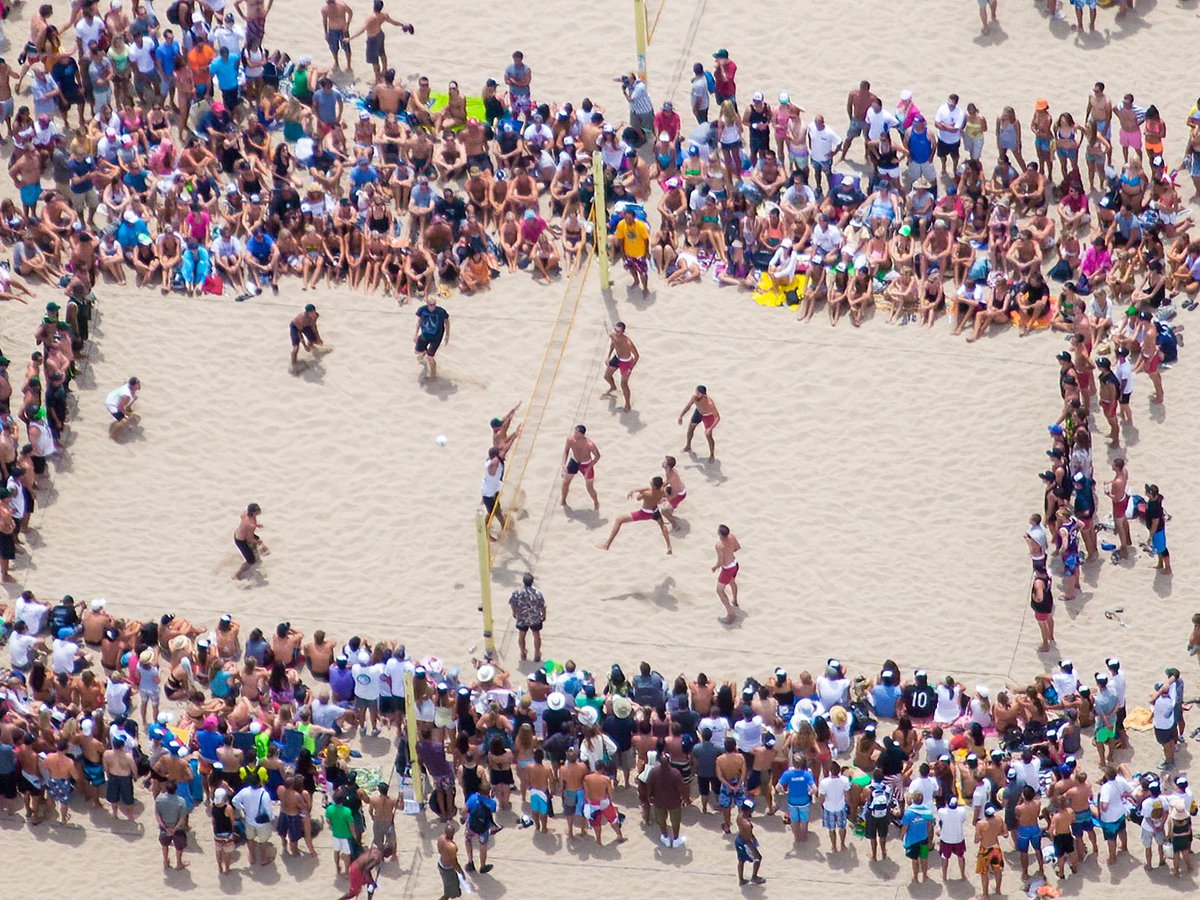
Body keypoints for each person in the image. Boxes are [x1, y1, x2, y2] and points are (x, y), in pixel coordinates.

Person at [600, 476, 672, 554]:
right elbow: (648, 489)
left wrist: (639, 493)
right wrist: (633, 490)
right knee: (663, 526)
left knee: (619, 520)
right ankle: (669, 546)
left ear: (654, 486)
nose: (650, 481)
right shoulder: (661, 490)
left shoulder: (647, 494)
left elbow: (638, 498)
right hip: (655, 510)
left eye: (651, 482)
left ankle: (606, 545)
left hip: (645, 513)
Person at [347, 0, 413, 82]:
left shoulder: (370, 18)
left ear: (374, 6)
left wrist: (350, 38)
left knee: (374, 60)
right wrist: (402, 24)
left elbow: (362, 30)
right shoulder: (384, 15)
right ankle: (384, 70)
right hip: (380, 35)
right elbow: (393, 22)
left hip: (372, 39)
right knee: (382, 53)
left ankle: (377, 78)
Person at [646, 750, 687, 848]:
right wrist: (684, 798)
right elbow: (681, 788)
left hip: (659, 801)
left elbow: (649, 786)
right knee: (675, 821)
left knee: (661, 820)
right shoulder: (675, 773)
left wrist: (649, 797)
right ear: (669, 762)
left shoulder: (654, 772)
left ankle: (665, 837)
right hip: (674, 802)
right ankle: (676, 839)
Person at [601, 322, 639, 412]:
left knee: (624, 384)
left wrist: (630, 369)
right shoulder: (613, 335)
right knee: (606, 376)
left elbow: (637, 356)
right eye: (615, 330)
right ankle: (613, 387)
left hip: (626, 362)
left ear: (623, 332)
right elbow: (613, 344)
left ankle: (627, 404)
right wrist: (608, 356)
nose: (616, 332)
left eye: (618, 331)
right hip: (617, 358)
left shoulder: (628, 342)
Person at [508, 572, 546, 662]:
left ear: (523, 582)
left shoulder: (517, 592)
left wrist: (514, 612)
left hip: (522, 618)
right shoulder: (537, 593)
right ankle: (537, 654)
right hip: (534, 618)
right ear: (532, 582)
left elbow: (512, 603)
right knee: (536, 636)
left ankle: (523, 653)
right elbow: (542, 606)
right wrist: (543, 615)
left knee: (521, 636)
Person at [612, 207, 650, 297]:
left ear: (633, 217)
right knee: (631, 268)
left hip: (639, 253)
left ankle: (645, 289)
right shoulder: (621, 224)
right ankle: (636, 281)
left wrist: (646, 252)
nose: (627, 220)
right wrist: (623, 253)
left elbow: (646, 240)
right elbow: (621, 239)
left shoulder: (640, 225)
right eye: (626, 218)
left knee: (643, 272)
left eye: (629, 218)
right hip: (628, 253)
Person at [560, 424, 600, 509]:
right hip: (574, 461)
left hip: (586, 464)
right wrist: (564, 464)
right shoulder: (570, 439)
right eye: (574, 432)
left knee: (589, 487)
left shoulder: (589, 444)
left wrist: (590, 467)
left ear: (582, 434)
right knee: (566, 482)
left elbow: (597, 456)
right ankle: (563, 500)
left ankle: (596, 502)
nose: (575, 434)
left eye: (577, 433)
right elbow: (566, 451)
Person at [677, 385, 720, 460]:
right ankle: (688, 446)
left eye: (698, 393)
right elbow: (688, 406)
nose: (696, 394)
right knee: (690, 428)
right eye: (696, 392)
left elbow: (717, 417)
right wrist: (681, 416)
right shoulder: (694, 397)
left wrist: (710, 428)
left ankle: (712, 455)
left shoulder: (710, 403)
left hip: (708, 416)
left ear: (704, 395)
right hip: (698, 412)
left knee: (708, 435)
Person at [901, 789, 934, 882]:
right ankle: (924, 875)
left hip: (912, 840)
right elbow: (930, 826)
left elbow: (905, 827)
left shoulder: (908, 812)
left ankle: (915, 877)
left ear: (913, 800)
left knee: (914, 859)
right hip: (924, 838)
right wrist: (929, 839)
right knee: (924, 858)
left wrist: (902, 836)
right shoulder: (927, 811)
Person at [155, 782, 190, 870]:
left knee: (164, 845)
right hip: (178, 828)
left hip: (165, 827)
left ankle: (166, 862)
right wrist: (174, 829)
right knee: (179, 846)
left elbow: (157, 815)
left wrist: (164, 827)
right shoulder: (181, 801)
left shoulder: (159, 799)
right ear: (176, 789)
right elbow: (182, 818)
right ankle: (179, 863)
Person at [414, 295, 449, 380]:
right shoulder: (422, 310)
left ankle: (433, 375)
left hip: (436, 337)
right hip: (425, 334)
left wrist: (447, 335)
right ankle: (424, 351)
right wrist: (415, 333)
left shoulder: (441, 312)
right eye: (431, 304)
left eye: (434, 304)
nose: (433, 306)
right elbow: (419, 321)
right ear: (427, 304)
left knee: (430, 357)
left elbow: (447, 322)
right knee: (417, 351)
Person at [818, 760, 851, 851]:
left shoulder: (824, 782)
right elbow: (847, 796)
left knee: (831, 829)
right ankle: (842, 844)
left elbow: (822, 798)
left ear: (830, 771)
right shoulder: (845, 780)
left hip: (829, 808)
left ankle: (834, 846)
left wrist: (822, 805)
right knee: (842, 827)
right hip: (840, 807)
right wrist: (849, 805)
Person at [712, 524, 741, 624]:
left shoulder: (719, 545)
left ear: (720, 534)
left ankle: (730, 614)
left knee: (719, 590)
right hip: (735, 564)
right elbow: (737, 547)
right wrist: (729, 552)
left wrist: (715, 567)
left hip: (727, 569)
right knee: (732, 582)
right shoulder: (732, 536)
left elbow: (720, 561)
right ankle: (735, 601)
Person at [735, 799, 765, 885]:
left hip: (739, 839)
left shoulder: (740, 815)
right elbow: (748, 838)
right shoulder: (747, 824)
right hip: (745, 842)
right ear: (749, 810)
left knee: (741, 861)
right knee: (758, 858)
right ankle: (754, 877)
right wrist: (754, 843)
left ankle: (741, 880)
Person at [233, 502, 267, 580]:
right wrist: (258, 542)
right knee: (251, 561)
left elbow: (242, 517)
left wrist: (255, 525)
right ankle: (237, 574)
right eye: (258, 510)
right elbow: (249, 539)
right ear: (254, 513)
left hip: (237, 533)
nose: (260, 510)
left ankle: (255, 551)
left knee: (256, 538)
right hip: (240, 541)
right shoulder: (250, 525)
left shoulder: (245, 512)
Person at [289, 304, 326, 370]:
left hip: (306, 325)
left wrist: (318, 338)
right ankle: (293, 364)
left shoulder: (315, 316)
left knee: (314, 340)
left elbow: (314, 327)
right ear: (306, 313)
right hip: (296, 327)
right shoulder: (301, 318)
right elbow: (299, 333)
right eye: (309, 313)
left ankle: (311, 346)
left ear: (315, 311)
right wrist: (304, 345)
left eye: (312, 312)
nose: (311, 314)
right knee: (296, 348)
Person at [1145, 483, 1170, 573]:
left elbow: (1155, 523)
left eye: (1147, 492)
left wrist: (1150, 536)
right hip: (1155, 529)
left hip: (1157, 530)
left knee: (1162, 549)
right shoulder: (1158, 497)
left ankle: (1167, 568)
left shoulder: (1154, 507)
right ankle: (1160, 564)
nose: (1145, 492)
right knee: (1158, 547)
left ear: (1152, 495)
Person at [437, 823, 465, 899]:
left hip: (440, 864)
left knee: (449, 887)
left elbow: (439, 850)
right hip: (448, 869)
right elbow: (454, 863)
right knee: (450, 892)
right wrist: (461, 872)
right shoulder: (452, 847)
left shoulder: (441, 838)